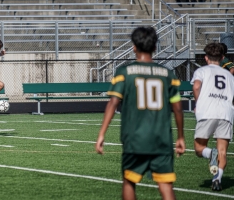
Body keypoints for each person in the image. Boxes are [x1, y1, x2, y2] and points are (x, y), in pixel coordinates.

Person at [96, 26, 185, 200]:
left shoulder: (124, 73)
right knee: (166, 186)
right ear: (155, 47)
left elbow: (113, 102)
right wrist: (181, 137)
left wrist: (101, 134)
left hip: (135, 138)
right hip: (161, 139)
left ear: (134, 47)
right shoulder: (168, 75)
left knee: (129, 181)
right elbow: (178, 108)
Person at [191, 43, 234, 191]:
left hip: (208, 111)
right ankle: (217, 179)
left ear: (206, 57)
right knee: (222, 151)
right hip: (226, 113)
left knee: (199, 148)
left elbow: (196, 87)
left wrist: (198, 102)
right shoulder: (229, 75)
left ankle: (210, 153)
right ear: (222, 58)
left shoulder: (202, 71)